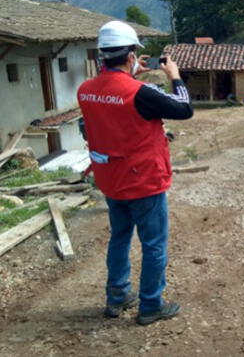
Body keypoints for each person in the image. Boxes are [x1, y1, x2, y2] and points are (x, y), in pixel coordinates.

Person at [77, 21, 194, 326]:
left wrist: (130, 75)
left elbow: (111, 102)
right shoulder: (140, 92)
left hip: (110, 179)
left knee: (119, 238)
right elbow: (183, 109)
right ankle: (151, 305)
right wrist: (175, 76)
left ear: (102, 56)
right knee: (153, 243)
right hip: (144, 181)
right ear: (130, 56)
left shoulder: (85, 90)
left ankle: (116, 298)